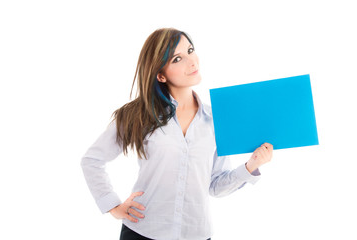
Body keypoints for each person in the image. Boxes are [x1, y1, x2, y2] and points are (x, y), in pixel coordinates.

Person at [80, 27, 273, 240]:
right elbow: (92, 160)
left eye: (190, 50)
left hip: (197, 233)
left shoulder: (216, 121)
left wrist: (251, 166)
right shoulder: (137, 115)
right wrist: (112, 205)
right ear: (160, 75)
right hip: (143, 231)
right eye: (177, 59)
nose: (192, 62)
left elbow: (215, 186)